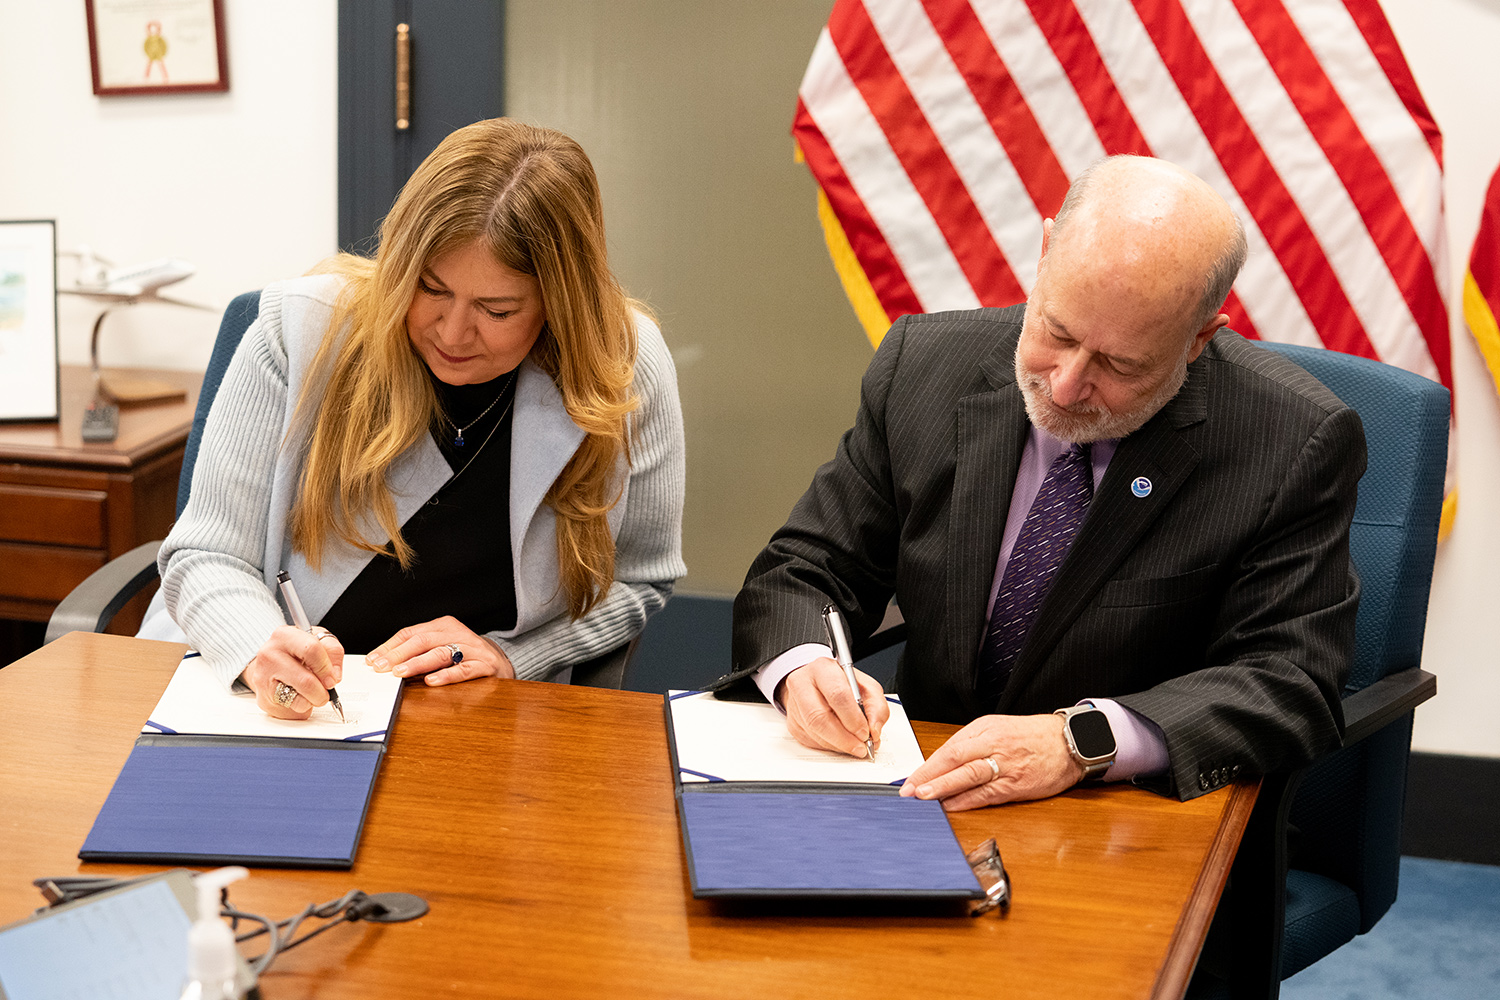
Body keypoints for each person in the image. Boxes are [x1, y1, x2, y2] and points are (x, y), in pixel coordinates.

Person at [717, 155, 1363, 809]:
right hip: (929, 790)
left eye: (1118, 364)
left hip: (1131, 814)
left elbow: (1290, 680)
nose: (1065, 384)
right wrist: (803, 669)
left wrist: (1082, 740)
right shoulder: (923, 366)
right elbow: (804, 569)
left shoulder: (1292, 442)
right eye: (1056, 331)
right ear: (1047, 250)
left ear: (1199, 339)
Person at [141, 118, 686, 719]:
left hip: (480, 716)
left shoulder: (623, 364)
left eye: (497, 310)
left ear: (560, 303)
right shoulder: (298, 334)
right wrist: (256, 645)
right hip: (277, 706)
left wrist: (516, 656)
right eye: (430, 289)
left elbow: (642, 581)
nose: (453, 333)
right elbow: (206, 555)